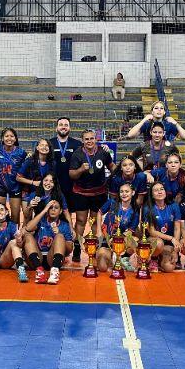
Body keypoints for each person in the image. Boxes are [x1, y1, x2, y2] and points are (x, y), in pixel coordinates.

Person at [69, 129, 116, 263]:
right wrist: (80, 170)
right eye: (86, 139)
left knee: (96, 221)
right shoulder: (77, 154)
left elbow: (112, 166)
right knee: (81, 221)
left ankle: (95, 248)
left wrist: (117, 178)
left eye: (92, 138)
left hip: (99, 192)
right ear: (82, 141)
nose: (89, 141)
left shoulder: (103, 152)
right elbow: (71, 174)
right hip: (81, 193)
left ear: (96, 139)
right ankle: (77, 247)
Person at [49, 117, 82, 250]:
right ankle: (53, 246)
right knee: (54, 217)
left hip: (74, 187)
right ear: (56, 128)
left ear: (70, 128)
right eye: (61, 125)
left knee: (78, 219)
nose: (63, 127)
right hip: (55, 188)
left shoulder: (77, 144)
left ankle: (77, 247)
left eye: (66, 125)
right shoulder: (50, 143)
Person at [22, 200, 74, 284]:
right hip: (38, 257)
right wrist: (44, 210)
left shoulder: (64, 225)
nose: (53, 210)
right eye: (50, 208)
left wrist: (60, 234)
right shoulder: (41, 220)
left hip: (52, 258)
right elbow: (28, 228)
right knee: (28, 236)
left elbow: (69, 249)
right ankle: (39, 271)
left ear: (60, 211)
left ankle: (54, 272)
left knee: (60, 236)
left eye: (56, 208)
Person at [96, 182, 140, 273]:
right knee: (102, 267)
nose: (124, 194)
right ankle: (110, 257)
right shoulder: (112, 202)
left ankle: (124, 258)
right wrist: (99, 231)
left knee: (135, 242)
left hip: (121, 240)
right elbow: (99, 212)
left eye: (127, 191)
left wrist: (117, 240)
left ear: (133, 193)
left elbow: (130, 231)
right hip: (106, 238)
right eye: (121, 192)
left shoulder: (135, 209)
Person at [0, 128, 27, 224]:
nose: (9, 138)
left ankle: (14, 237)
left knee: (15, 217)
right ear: (2, 138)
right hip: (0, 185)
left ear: (15, 139)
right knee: (0, 215)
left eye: (12, 136)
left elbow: (27, 168)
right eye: (6, 136)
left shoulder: (21, 152)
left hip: (15, 186)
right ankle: (1, 235)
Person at [146, 182, 182, 273]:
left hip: (168, 244)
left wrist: (175, 250)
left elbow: (177, 228)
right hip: (154, 241)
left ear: (165, 192)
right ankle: (153, 258)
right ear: (152, 195)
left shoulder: (174, 206)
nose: (159, 192)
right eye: (156, 190)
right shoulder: (148, 208)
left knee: (169, 268)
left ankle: (161, 259)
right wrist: (171, 238)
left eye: (161, 189)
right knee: (159, 243)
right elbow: (152, 231)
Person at [17, 138, 54, 215]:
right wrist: (33, 182)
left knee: (43, 216)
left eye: (47, 145)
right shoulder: (30, 161)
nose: (44, 147)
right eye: (42, 145)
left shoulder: (52, 163)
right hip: (28, 192)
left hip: (44, 193)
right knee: (27, 217)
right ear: (37, 148)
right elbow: (18, 178)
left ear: (49, 149)